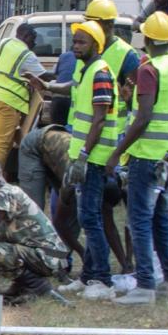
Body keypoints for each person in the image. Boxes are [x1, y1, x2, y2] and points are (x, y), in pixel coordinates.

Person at [105, 11, 168, 305]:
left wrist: (118, 151)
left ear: (146, 39)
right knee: (162, 219)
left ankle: (145, 283)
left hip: (146, 157)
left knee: (140, 220)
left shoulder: (150, 70)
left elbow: (144, 116)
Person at [61, 21, 121, 301]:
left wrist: (84, 155)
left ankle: (103, 280)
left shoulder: (100, 73)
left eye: (82, 42)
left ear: (96, 45)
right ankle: (87, 277)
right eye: (75, 42)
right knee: (87, 216)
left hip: (94, 158)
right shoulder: (87, 71)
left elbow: (99, 119)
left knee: (90, 217)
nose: (76, 47)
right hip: (85, 156)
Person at [0, 159, 68, 304]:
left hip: (49, 256)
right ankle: (22, 285)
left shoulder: (6, 193)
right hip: (52, 255)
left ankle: (37, 286)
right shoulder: (11, 192)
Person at [15, 122, 83, 264]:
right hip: (34, 147)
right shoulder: (73, 178)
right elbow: (59, 222)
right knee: (32, 210)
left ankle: (59, 261)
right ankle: (27, 260)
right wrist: (82, 252)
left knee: (77, 213)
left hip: (56, 152)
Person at [0, 23, 45, 170]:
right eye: (33, 39)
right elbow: (44, 76)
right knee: (2, 143)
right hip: (9, 102)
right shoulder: (27, 55)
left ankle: (6, 172)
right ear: (26, 36)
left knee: (4, 138)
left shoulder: (4, 43)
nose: (34, 43)